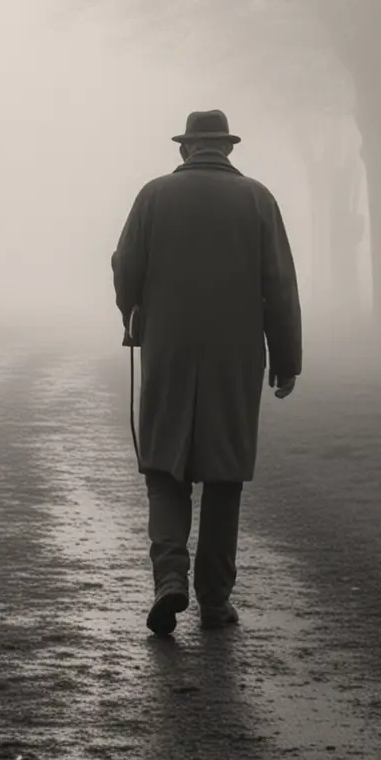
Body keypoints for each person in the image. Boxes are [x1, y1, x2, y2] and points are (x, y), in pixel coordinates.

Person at [111, 109, 302, 636]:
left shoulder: (152, 195)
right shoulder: (258, 199)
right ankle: (215, 601)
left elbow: (124, 266)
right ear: (229, 149)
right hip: (236, 357)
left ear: (185, 149)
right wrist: (286, 360)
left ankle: (169, 577)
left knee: (163, 469)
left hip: (169, 351)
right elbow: (280, 285)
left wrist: (134, 318)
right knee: (224, 475)